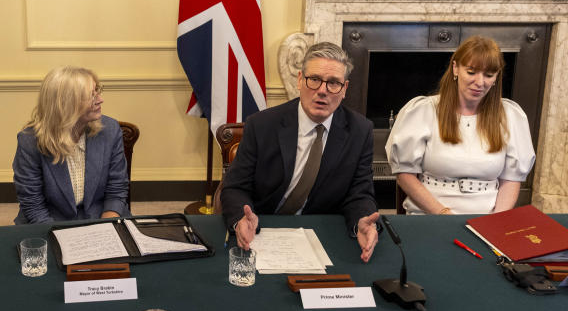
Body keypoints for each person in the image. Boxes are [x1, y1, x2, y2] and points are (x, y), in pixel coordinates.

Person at [220, 42, 380, 262]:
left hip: (320, 232)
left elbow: (360, 193)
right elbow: (235, 187)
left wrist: (361, 221)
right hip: (262, 228)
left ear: (344, 89)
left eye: (333, 83)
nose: (322, 90)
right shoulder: (262, 125)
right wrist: (240, 218)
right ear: (299, 80)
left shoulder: (360, 131)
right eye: (314, 79)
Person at [386, 36, 535, 215]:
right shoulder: (423, 110)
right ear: (455, 68)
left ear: (496, 77)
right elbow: (405, 175)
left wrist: (495, 222)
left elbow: (511, 180)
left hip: (488, 219)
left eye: (488, 75)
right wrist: (442, 214)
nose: (480, 83)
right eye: (471, 72)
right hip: (430, 216)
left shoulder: (511, 116)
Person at [13, 66, 130, 224]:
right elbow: (33, 204)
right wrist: (58, 237)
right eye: (91, 95)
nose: (100, 99)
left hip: (101, 215)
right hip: (48, 220)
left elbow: (116, 189)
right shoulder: (30, 141)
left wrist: (105, 228)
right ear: (66, 103)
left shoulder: (110, 130)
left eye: (98, 91)